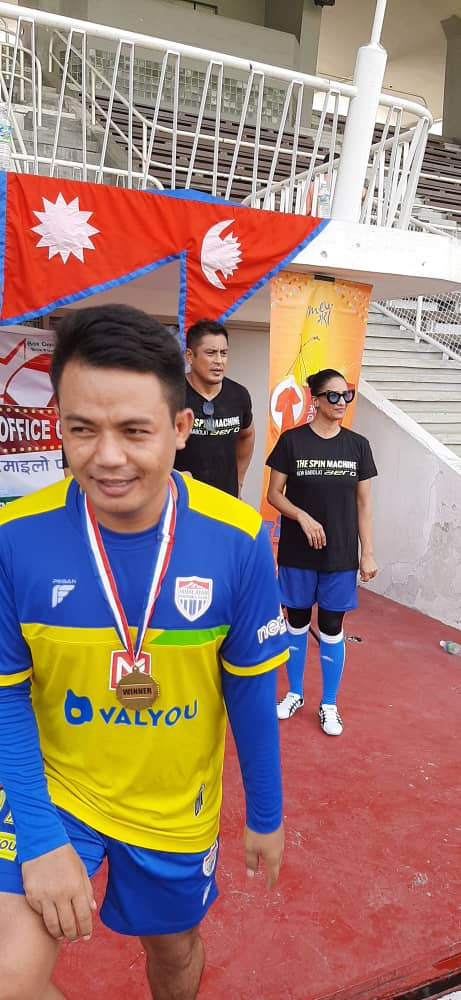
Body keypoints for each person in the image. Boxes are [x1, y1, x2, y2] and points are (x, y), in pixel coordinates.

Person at [0, 303, 287, 1000]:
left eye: (134, 431)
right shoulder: (13, 536)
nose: (107, 457)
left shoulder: (238, 538)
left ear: (181, 428)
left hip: (173, 806)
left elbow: (251, 691)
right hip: (55, 791)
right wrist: (38, 835)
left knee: (174, 951)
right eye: (81, 429)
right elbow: (5, 696)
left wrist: (266, 815)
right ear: (58, 425)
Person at [266, 368, 378, 736]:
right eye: (333, 395)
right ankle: (294, 693)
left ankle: (329, 703)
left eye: (347, 394)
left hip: (340, 555)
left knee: (331, 627)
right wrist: (302, 516)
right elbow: (274, 494)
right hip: (297, 552)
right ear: (315, 400)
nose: (341, 402)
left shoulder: (357, 445)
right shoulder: (292, 441)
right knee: (296, 622)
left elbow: (363, 503)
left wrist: (368, 553)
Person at [174, 319, 255, 497]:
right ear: (190, 356)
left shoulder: (239, 395)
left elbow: (247, 435)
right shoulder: (171, 394)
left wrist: (239, 480)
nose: (219, 361)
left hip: (225, 499)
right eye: (210, 353)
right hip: (182, 499)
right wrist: (171, 477)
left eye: (223, 353)